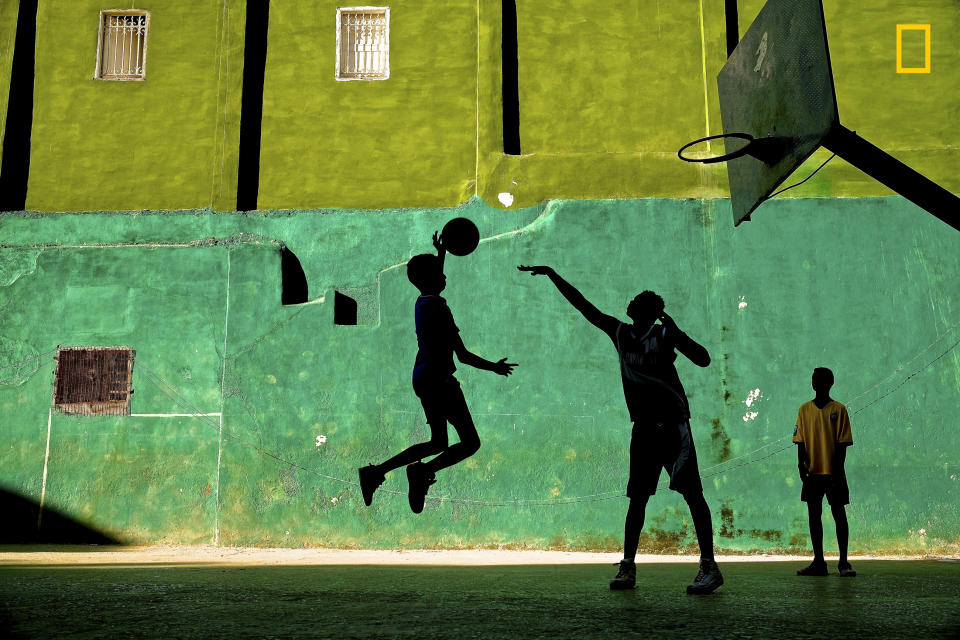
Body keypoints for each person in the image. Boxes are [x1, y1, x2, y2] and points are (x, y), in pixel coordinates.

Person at [517, 265, 722, 594]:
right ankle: (628, 567)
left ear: (653, 314)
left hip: (673, 426)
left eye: (643, 306)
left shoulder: (665, 335)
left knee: (693, 495)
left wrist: (679, 333)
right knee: (638, 499)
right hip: (642, 428)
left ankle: (709, 566)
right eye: (636, 304)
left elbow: (704, 359)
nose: (635, 308)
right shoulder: (621, 333)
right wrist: (552, 274)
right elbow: (584, 306)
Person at [359, 233, 516, 513]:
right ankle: (420, 473)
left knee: (438, 442)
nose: (446, 278)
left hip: (423, 378)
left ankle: (376, 472)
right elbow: (463, 356)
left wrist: (441, 253)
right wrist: (494, 367)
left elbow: (432, 278)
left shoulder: (423, 300)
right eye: (439, 274)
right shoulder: (439, 309)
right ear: (429, 278)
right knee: (470, 443)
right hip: (439, 381)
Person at [793, 367, 855, 577]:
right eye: (814, 379)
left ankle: (844, 562)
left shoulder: (839, 410)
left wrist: (837, 473)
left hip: (834, 473)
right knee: (813, 515)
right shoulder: (803, 410)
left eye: (820, 380)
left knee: (839, 515)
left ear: (830, 383)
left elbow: (842, 444)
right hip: (813, 473)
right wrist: (801, 465)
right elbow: (800, 441)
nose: (816, 383)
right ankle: (819, 562)